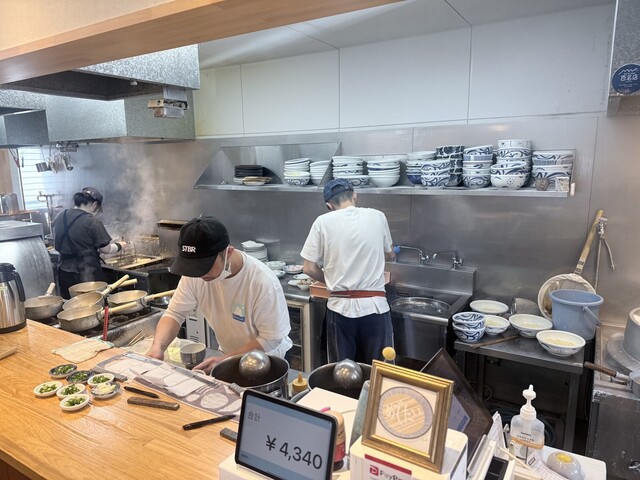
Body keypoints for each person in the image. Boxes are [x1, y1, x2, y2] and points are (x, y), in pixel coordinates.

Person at [146, 216, 292, 373]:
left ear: (228, 252)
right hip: (229, 356)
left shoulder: (262, 282)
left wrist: (226, 360)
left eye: (205, 266)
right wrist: (157, 347)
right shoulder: (195, 275)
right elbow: (175, 313)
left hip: (266, 362)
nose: (200, 274)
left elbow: (271, 339)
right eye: (193, 266)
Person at [301, 179, 395, 365]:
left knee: (342, 373)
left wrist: (331, 280)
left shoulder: (322, 222)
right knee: (379, 371)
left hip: (340, 308)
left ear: (329, 206)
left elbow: (309, 268)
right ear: (355, 196)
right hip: (375, 307)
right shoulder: (378, 216)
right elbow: (390, 254)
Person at [53, 187, 128, 299]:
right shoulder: (92, 221)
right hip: (87, 273)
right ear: (94, 205)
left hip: (64, 271)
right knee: (91, 303)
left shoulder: (60, 216)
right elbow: (106, 249)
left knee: (70, 303)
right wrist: (120, 245)